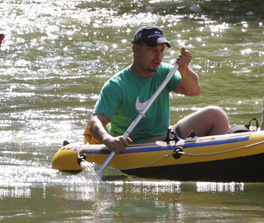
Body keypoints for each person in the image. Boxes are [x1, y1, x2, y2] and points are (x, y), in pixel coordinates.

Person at [87, 26, 230, 154]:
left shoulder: (164, 72)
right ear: (135, 49)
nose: (158, 56)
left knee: (216, 114)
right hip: (134, 147)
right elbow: (95, 122)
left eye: (161, 51)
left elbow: (194, 91)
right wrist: (108, 139)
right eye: (152, 50)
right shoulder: (116, 85)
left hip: (165, 135)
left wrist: (184, 70)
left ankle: (221, 159)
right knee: (164, 139)